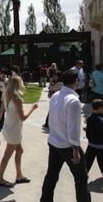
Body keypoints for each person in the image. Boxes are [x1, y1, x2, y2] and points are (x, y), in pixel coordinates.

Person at [40, 69, 91, 202]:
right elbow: (73, 128)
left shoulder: (56, 95)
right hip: (68, 146)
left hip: (54, 142)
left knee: (51, 175)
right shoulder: (73, 100)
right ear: (75, 81)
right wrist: (75, 149)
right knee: (81, 179)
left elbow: (52, 120)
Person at [0, 76, 38, 187]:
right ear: (18, 85)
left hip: (9, 128)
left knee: (20, 151)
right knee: (7, 155)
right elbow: (23, 117)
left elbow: (1, 111)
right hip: (13, 131)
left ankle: (19, 175)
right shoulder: (16, 99)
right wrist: (32, 108)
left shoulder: (6, 95)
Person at [85, 99, 103, 177]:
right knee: (102, 162)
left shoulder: (89, 117)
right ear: (100, 108)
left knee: (87, 163)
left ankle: (83, 175)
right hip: (101, 146)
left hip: (91, 145)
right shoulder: (101, 120)